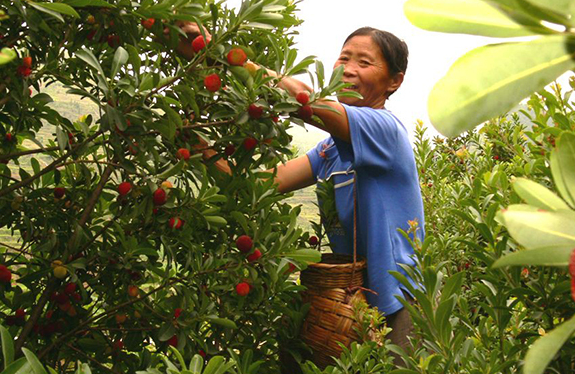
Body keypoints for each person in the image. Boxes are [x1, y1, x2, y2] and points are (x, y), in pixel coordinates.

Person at [179, 24, 425, 352]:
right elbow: (258, 186)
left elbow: (304, 102)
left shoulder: (385, 131)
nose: (350, 69)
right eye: (344, 59)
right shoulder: (329, 151)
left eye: (365, 63)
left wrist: (224, 54)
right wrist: (198, 147)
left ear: (394, 80)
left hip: (400, 303)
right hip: (352, 304)